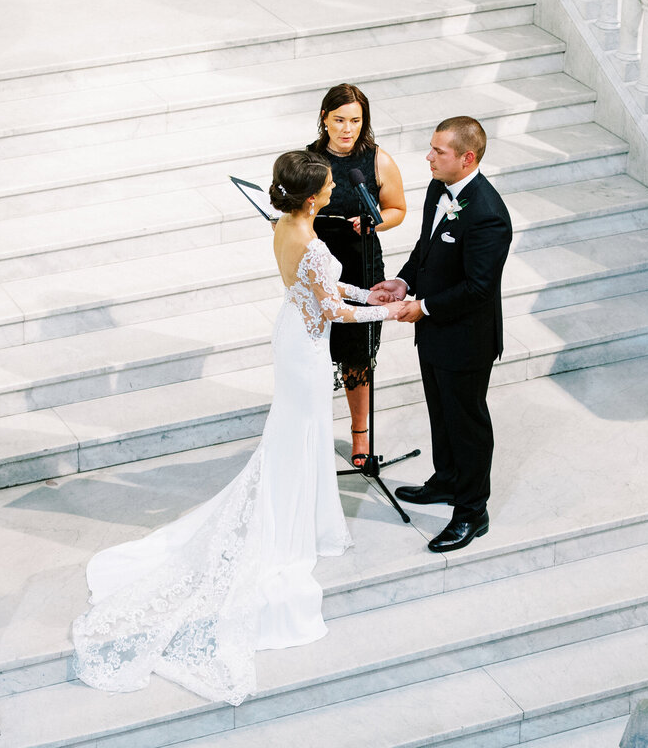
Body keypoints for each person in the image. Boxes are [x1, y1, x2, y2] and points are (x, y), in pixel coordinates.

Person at [71, 151, 402, 705]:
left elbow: (326, 294)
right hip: (306, 347)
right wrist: (393, 312)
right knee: (298, 433)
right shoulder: (315, 244)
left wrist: (373, 292)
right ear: (315, 196)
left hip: (293, 335)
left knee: (297, 434)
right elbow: (331, 312)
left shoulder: (286, 227)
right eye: (325, 185)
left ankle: (299, 509)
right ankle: (289, 522)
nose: (329, 190)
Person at [371, 116, 512, 553]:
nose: (428, 157)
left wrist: (423, 307)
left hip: (467, 339)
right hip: (433, 331)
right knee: (440, 411)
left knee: (467, 423)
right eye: (431, 148)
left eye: (439, 151)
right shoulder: (439, 188)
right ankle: (447, 480)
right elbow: (427, 249)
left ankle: (472, 511)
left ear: (467, 158)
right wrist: (403, 282)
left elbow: (478, 287)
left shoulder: (489, 215)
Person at [307, 83, 407, 467]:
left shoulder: (377, 159)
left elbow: (397, 208)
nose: (347, 129)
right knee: (314, 349)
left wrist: (373, 225)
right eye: (339, 120)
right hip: (318, 262)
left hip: (361, 261)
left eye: (355, 120)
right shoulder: (309, 160)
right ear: (324, 119)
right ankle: (311, 431)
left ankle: (359, 435)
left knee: (356, 356)